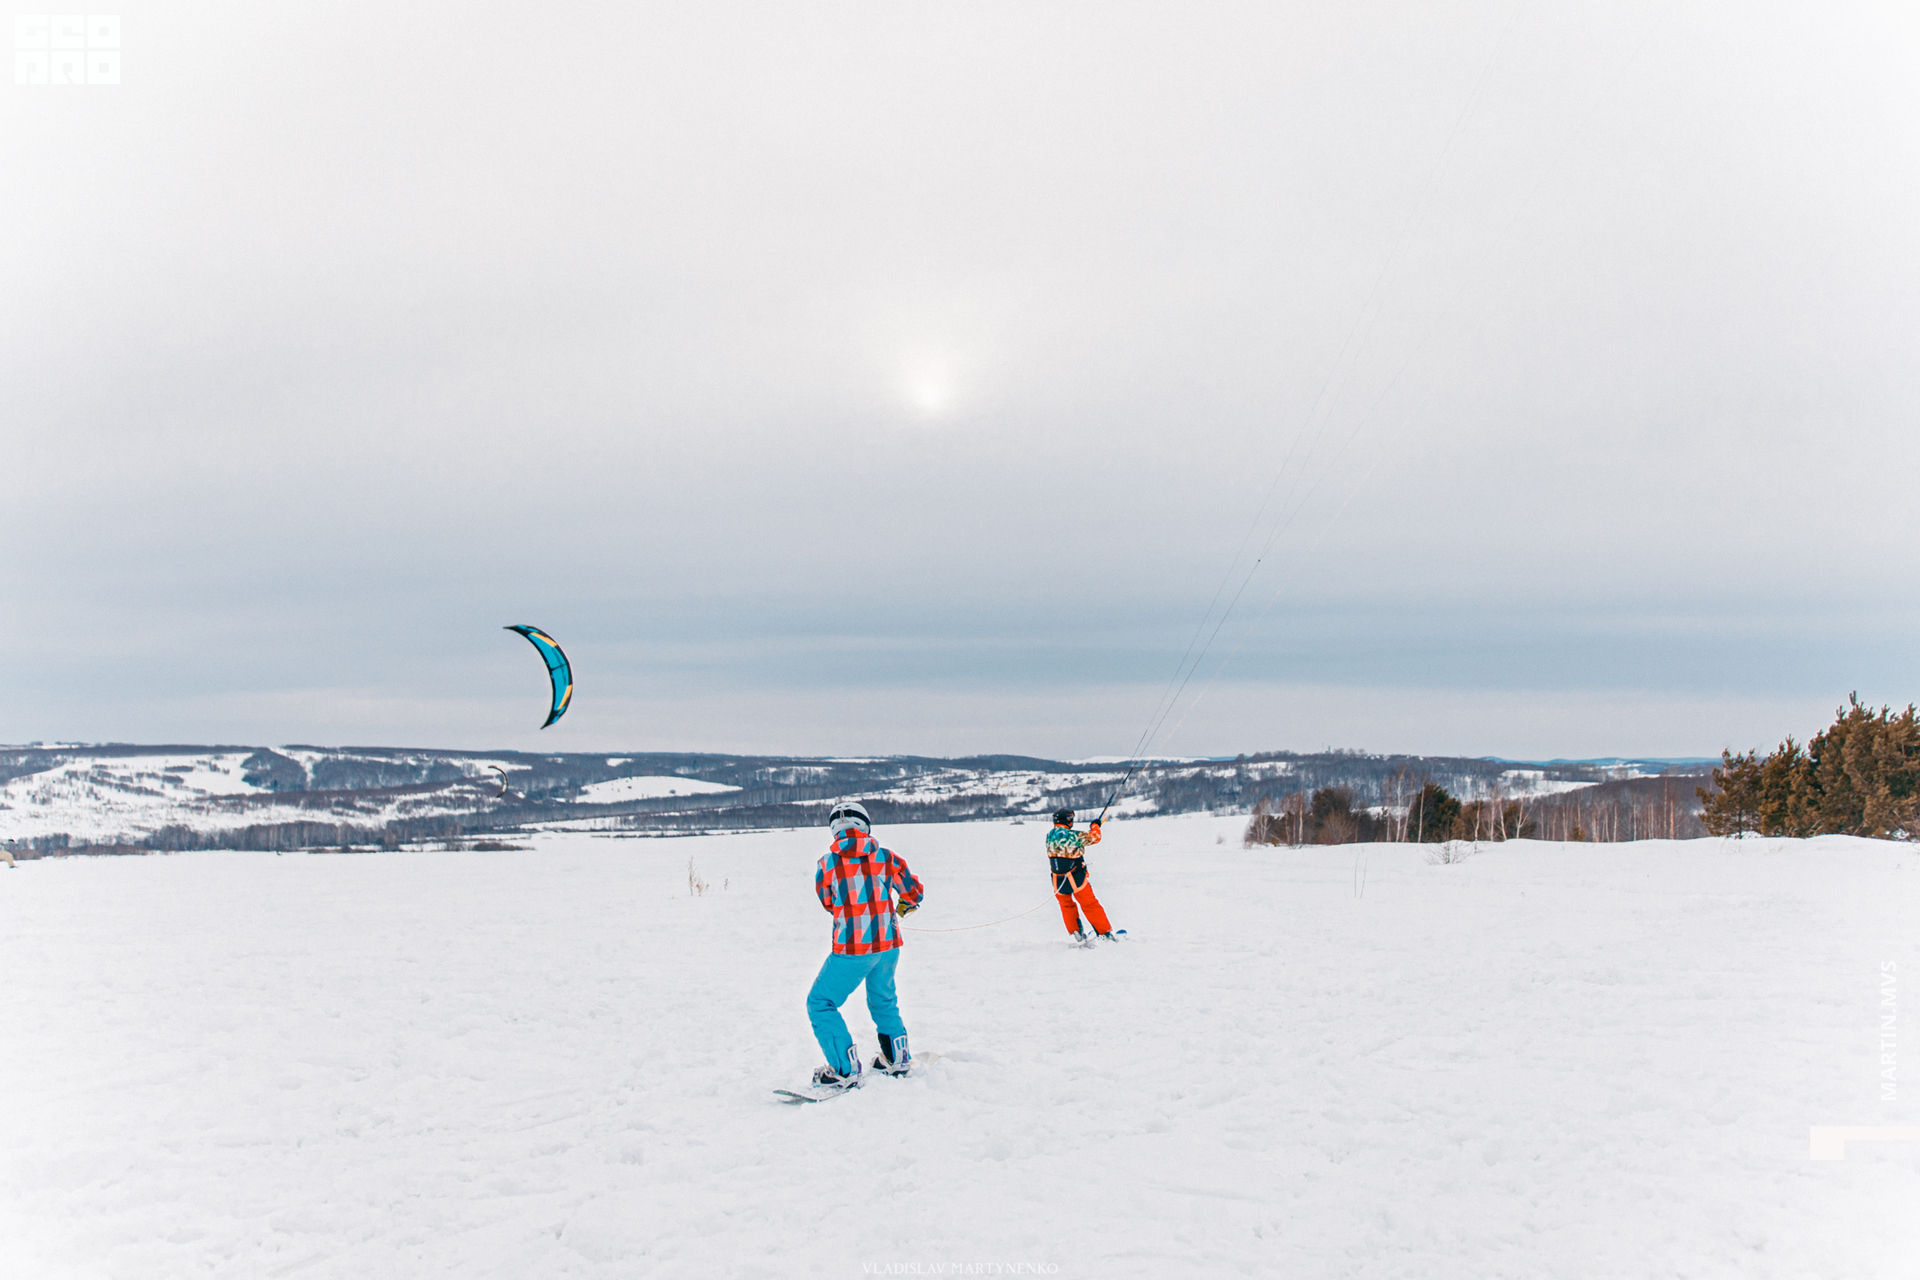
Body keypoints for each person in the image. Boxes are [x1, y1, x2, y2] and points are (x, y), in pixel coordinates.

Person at [807, 799, 925, 1090]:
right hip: (888, 947)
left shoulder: (827, 864)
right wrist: (901, 906)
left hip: (851, 950)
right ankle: (897, 1058)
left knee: (820, 1003)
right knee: (883, 999)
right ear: (865, 824)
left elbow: (828, 902)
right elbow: (913, 893)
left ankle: (843, 1070)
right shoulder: (887, 857)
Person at [1047, 808, 1119, 942]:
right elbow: (1096, 837)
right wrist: (1095, 825)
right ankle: (1105, 934)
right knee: (1090, 904)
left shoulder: (1049, 835)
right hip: (1076, 879)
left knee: (1066, 905)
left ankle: (1076, 933)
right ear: (1068, 820)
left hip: (1057, 881)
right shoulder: (1074, 836)